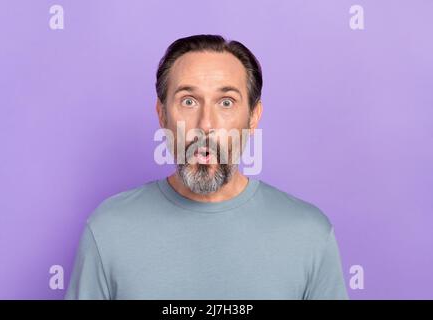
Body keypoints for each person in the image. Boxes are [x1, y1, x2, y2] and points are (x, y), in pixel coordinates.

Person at [65, 34, 349, 300]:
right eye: (188, 101)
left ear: (253, 117)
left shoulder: (310, 235)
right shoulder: (109, 229)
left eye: (226, 102)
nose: (206, 125)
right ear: (162, 114)